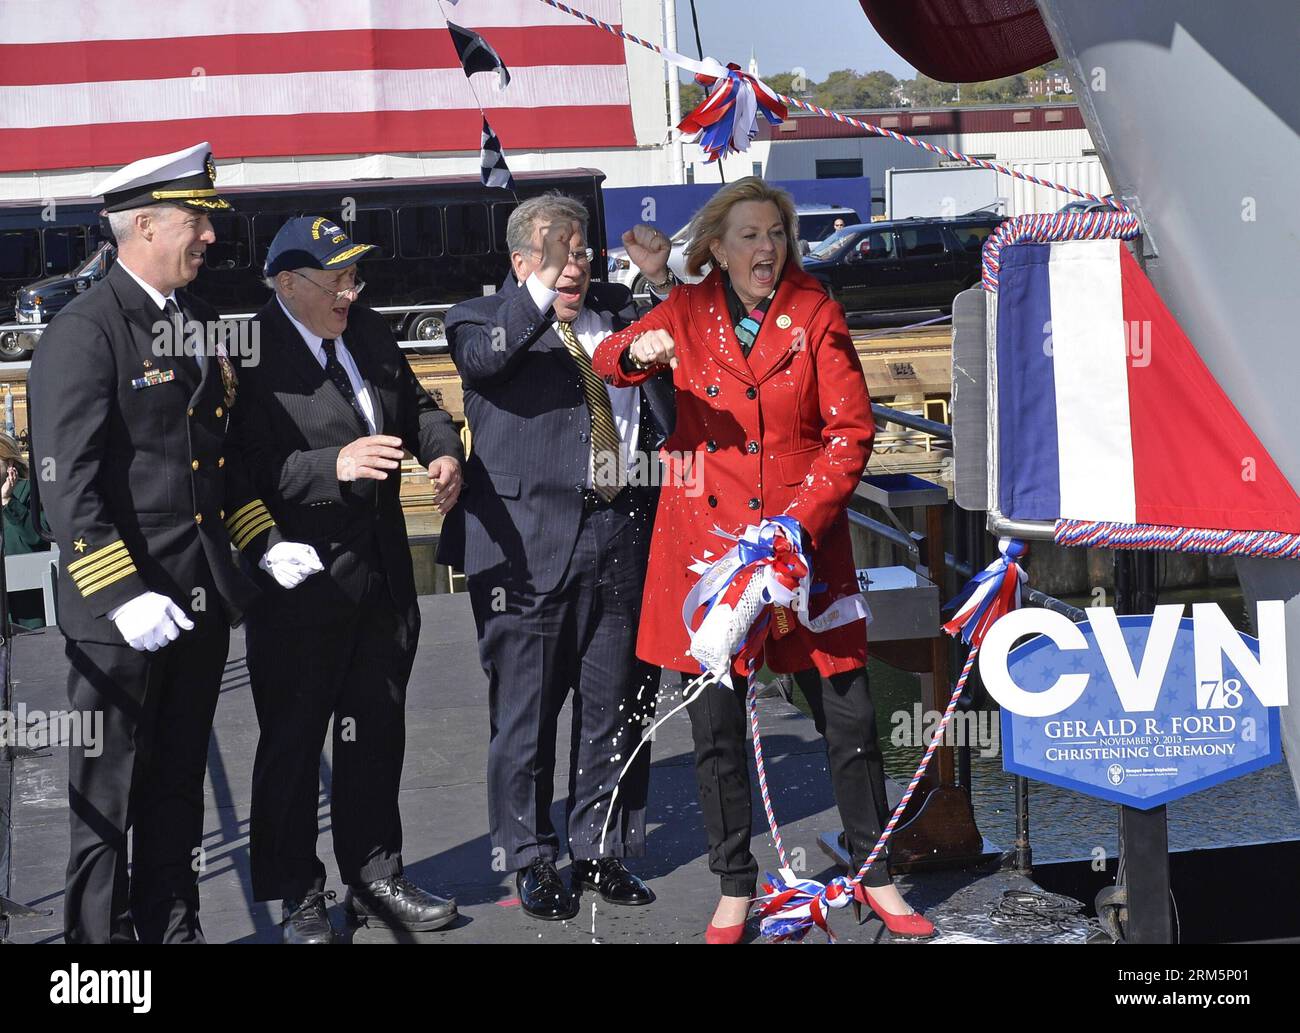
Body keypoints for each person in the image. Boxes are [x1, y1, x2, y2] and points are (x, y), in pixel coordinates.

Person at [593, 177, 935, 942]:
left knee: (847, 715)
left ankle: (874, 869)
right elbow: (611, 359)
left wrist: (798, 527)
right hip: (707, 555)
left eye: (776, 234)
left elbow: (850, 434)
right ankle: (734, 884)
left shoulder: (816, 313)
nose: (767, 249)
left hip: (799, 551)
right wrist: (637, 348)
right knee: (714, 731)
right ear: (716, 247)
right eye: (750, 235)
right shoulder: (685, 309)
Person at [27, 142, 320, 943]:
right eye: (195, 222)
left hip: (194, 602)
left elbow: (212, 469)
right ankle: (97, 954)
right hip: (121, 613)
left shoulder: (191, 323)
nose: (210, 238)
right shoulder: (85, 332)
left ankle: (172, 929)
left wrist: (260, 541)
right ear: (144, 226)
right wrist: (120, 595)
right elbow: (67, 483)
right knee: (106, 798)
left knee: (177, 787)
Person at [439, 193, 675, 921]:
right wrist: (544, 290)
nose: (578, 262)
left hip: (620, 533)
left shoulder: (622, 312)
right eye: (559, 251)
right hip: (525, 545)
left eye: (583, 249)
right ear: (522, 262)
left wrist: (662, 285)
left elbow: (689, 369)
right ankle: (532, 857)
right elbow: (485, 361)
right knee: (526, 713)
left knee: (617, 704)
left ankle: (599, 848)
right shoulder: (480, 319)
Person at [230, 216, 465, 944]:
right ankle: (298, 891)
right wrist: (328, 465)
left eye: (354, 278)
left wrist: (443, 450)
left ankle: (375, 876)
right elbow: (236, 472)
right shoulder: (249, 356)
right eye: (336, 280)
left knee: (376, 734)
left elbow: (418, 402)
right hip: (301, 584)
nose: (350, 291)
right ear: (286, 283)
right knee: (295, 744)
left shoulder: (363, 327)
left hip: (383, 580)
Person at [1, 432, 52, 630]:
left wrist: (8, 501)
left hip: (27, 600)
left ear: (10, 463)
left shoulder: (31, 491)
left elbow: (36, 536)